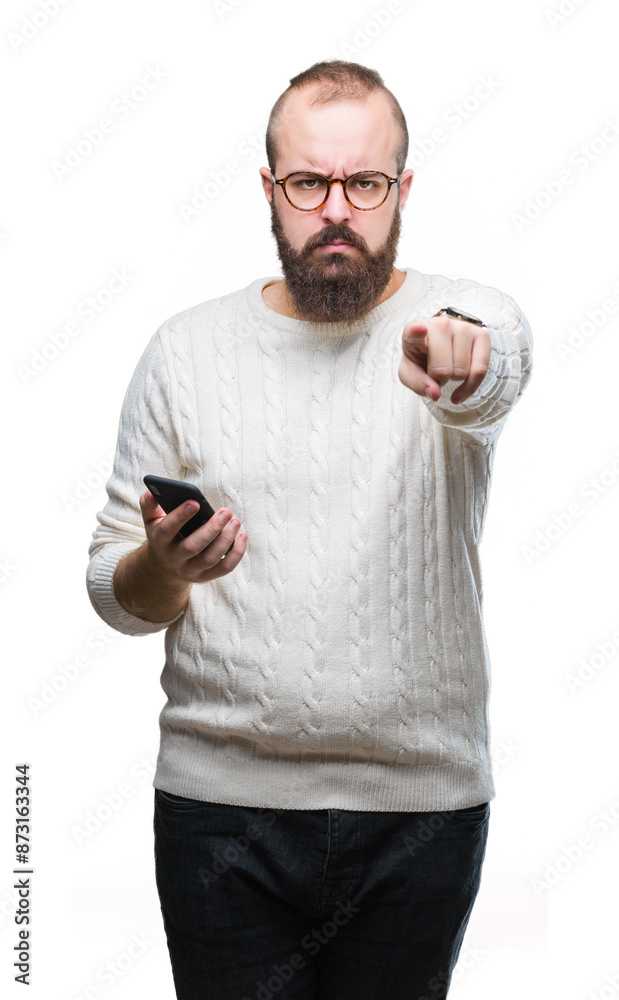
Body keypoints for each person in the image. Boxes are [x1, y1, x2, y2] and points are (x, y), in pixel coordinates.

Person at [86, 59, 533, 1000]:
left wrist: (463, 363)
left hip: (421, 815)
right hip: (220, 813)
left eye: (364, 183)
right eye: (308, 182)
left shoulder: (458, 318)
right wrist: (166, 569)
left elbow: (493, 363)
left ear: (402, 190)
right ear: (269, 189)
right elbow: (114, 597)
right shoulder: (185, 349)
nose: (337, 208)